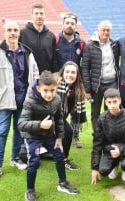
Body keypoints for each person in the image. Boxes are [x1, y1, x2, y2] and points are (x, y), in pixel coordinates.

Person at [0, 21, 39, 182]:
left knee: (20, 131)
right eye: (9, 30)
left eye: (15, 30)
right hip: (4, 101)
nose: (12, 33)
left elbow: (35, 76)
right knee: (2, 132)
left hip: (23, 100)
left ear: (19, 32)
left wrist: (33, 96)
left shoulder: (27, 52)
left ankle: (15, 158)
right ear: (4, 32)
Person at [18, 70, 80, 201]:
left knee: (59, 155)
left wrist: (59, 138)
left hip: (49, 135)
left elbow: (59, 119)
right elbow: (21, 124)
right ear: (39, 88)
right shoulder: (30, 101)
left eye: (52, 90)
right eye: (45, 90)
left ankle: (63, 184)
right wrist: (40, 124)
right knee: (33, 163)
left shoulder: (56, 99)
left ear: (56, 88)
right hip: (32, 136)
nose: (49, 94)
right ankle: (30, 190)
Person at [91, 88, 125, 184]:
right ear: (106, 103)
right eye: (109, 102)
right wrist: (95, 168)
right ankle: (114, 164)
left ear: (120, 100)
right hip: (110, 150)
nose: (112, 105)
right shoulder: (102, 118)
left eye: (115, 101)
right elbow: (97, 143)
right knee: (103, 171)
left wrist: (120, 150)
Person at [81, 20, 120, 131]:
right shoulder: (90, 45)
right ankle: (97, 135)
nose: (106, 32)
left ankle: (108, 133)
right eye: (104, 30)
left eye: (108, 30)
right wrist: (87, 89)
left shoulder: (114, 44)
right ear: (98, 30)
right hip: (96, 84)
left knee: (111, 110)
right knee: (95, 112)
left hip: (112, 83)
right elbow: (85, 68)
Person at [56, 12, 85, 148]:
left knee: (75, 111)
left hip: (75, 82)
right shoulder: (55, 40)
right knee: (59, 110)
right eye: (67, 23)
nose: (69, 25)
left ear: (75, 26)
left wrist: (83, 84)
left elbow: (84, 65)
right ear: (63, 25)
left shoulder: (81, 43)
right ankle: (58, 136)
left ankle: (75, 136)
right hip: (60, 83)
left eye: (72, 23)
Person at [55, 61, 87, 170]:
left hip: (60, 117)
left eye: (73, 72)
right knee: (67, 131)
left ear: (77, 75)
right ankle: (63, 158)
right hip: (48, 115)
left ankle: (62, 157)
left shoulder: (77, 89)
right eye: (67, 71)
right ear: (62, 73)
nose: (70, 75)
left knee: (67, 131)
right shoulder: (56, 84)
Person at [19, 3, 57, 73]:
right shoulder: (22, 33)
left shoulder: (51, 36)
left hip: (45, 77)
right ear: (31, 15)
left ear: (45, 15)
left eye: (41, 13)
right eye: (36, 13)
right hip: (27, 76)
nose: (39, 16)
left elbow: (54, 59)